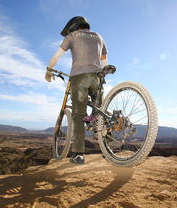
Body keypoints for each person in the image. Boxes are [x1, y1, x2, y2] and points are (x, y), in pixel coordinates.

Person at [45, 16, 108, 164]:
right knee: (99, 109)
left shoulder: (72, 36)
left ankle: (78, 155)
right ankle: (99, 125)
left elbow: (57, 55)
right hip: (97, 77)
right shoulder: (99, 37)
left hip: (79, 77)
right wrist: (103, 74)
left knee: (78, 115)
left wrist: (49, 70)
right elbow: (104, 59)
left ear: (74, 27)